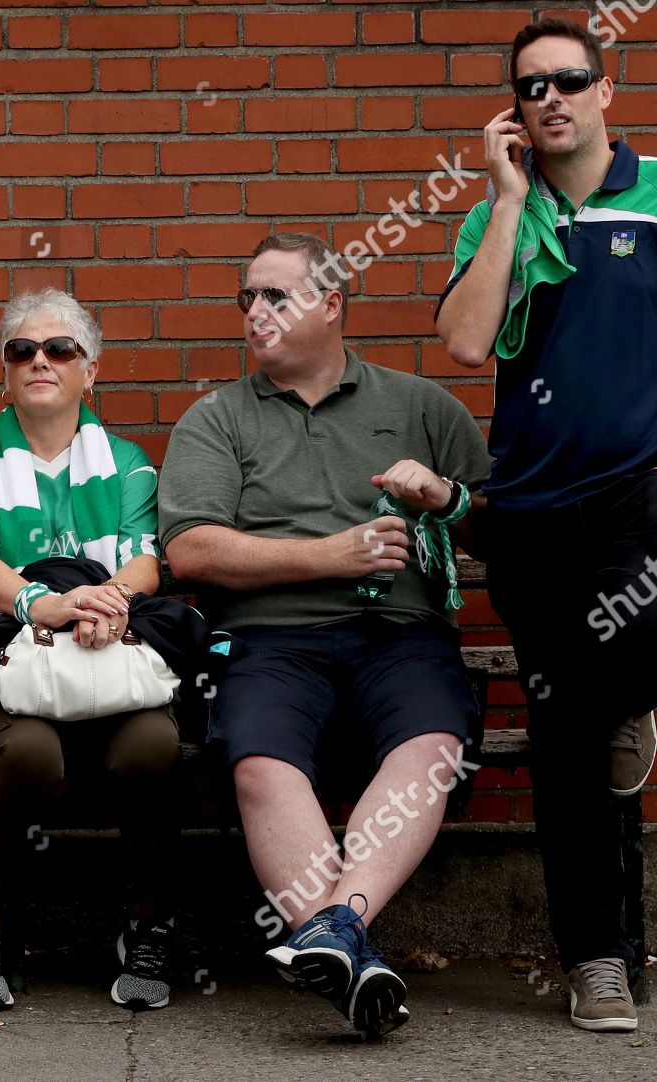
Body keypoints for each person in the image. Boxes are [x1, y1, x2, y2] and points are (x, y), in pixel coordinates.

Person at [435, 17, 657, 1033]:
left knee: (648, 642)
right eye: (529, 87)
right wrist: (506, 203)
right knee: (567, 734)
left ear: (606, 89)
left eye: (569, 80)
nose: (550, 99)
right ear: (514, 107)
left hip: (645, 494)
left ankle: (630, 701)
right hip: (532, 507)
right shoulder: (500, 212)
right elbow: (462, 343)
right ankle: (598, 961)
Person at [159, 233, 492, 1038]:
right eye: (247, 298)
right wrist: (331, 554)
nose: (256, 314)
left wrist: (445, 496)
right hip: (272, 642)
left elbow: (502, 532)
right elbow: (190, 549)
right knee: (260, 763)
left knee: (433, 750)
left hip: (399, 636)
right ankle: (347, 940)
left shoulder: (420, 407)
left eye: (277, 296)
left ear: (333, 302)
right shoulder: (219, 417)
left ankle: (333, 936)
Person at [0, 288, 181, 1012]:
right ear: (5, 370)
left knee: (152, 745)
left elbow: (145, 563)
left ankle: (148, 924)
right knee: (33, 750)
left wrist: (107, 607)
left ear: (90, 370)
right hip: (0, 671)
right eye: (22, 350)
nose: (40, 361)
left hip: (106, 662)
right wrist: (46, 607)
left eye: (59, 349)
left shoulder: (128, 461)